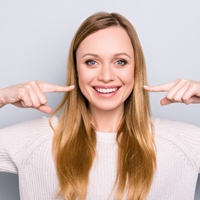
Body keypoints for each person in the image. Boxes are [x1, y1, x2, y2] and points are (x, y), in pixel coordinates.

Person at [0, 11, 200, 200]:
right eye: (91, 62)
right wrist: (2, 97)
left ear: (136, 69)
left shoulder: (184, 144)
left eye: (120, 62)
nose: (106, 76)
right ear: (76, 70)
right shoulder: (33, 141)